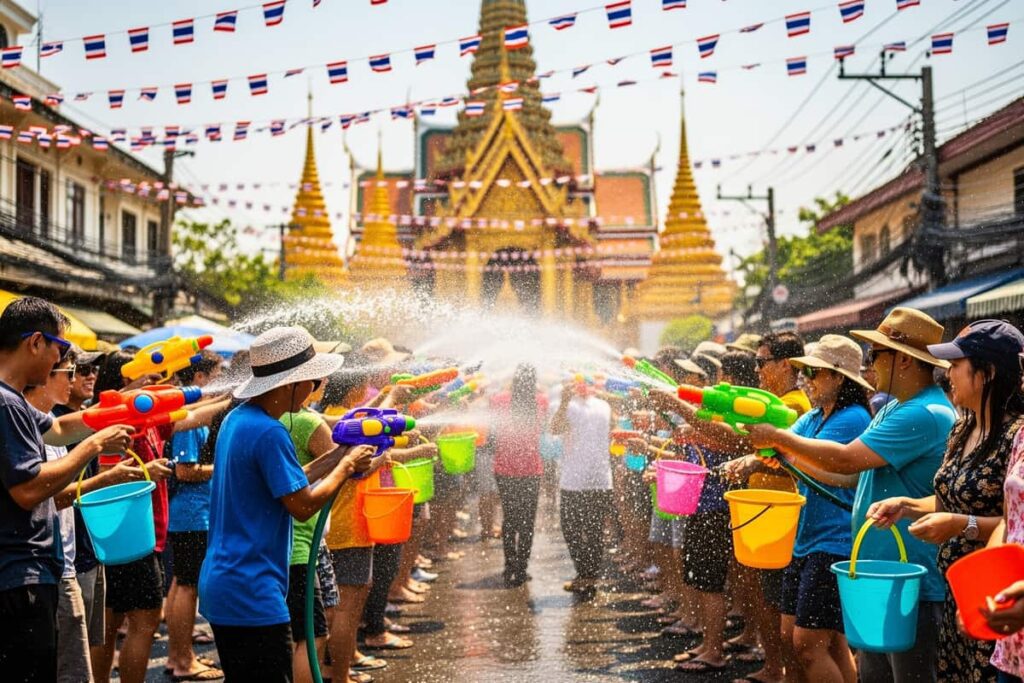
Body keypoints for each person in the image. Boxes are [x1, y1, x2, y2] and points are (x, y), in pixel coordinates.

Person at [748, 308, 957, 683]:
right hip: (880, 571)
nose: (870, 364)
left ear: (904, 360)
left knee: (907, 675)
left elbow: (846, 461)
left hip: (910, 577)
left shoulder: (923, 413)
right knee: (871, 674)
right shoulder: (894, 407)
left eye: (877, 354)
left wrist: (779, 439)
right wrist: (788, 458)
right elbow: (850, 478)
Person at [198, 327, 374, 682]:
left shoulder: (240, 419)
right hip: (252, 588)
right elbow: (303, 504)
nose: (315, 388)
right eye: (312, 380)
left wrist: (338, 454)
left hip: (225, 583)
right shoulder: (270, 432)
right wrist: (346, 468)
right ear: (289, 383)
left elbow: (288, 482)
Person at [868, 320, 1024, 682]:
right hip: (957, 591)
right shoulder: (962, 427)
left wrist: (960, 526)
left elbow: (1009, 520)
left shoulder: (1015, 434)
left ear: (986, 373)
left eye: (956, 365)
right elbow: (948, 500)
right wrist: (907, 505)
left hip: (999, 594)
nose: (947, 373)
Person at [0, 297, 134, 683]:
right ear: (35, 343)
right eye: (60, 351)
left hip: (30, 573)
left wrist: (118, 414)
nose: (65, 368)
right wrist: (93, 448)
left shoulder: (15, 399)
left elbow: (59, 429)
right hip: (18, 576)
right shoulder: (6, 402)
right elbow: (26, 490)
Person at [765, 335, 870, 683]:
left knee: (808, 644)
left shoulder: (853, 418)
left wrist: (782, 449)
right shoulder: (813, 417)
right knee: (807, 640)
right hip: (807, 540)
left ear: (840, 378)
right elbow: (780, 444)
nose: (805, 380)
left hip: (833, 543)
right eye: (804, 372)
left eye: (814, 372)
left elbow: (807, 456)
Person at [165, 350, 225, 681]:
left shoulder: (195, 411)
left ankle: (179, 656)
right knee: (187, 585)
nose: (220, 380)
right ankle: (182, 659)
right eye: (217, 374)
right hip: (191, 512)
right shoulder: (187, 420)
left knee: (183, 583)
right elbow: (186, 472)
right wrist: (223, 468)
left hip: (194, 513)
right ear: (199, 379)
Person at [550, 376, 613, 596]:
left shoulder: (603, 405)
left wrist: (565, 402)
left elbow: (554, 428)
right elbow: (555, 429)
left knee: (590, 529)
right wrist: (565, 401)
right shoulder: (571, 405)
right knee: (573, 528)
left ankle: (587, 576)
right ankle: (586, 574)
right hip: (577, 478)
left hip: (596, 477)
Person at [490, 364, 549, 587]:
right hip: (531, 468)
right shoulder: (541, 401)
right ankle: (522, 567)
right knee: (527, 521)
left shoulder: (498, 400)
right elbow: (542, 428)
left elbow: (495, 430)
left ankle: (509, 565)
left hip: (504, 467)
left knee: (509, 518)